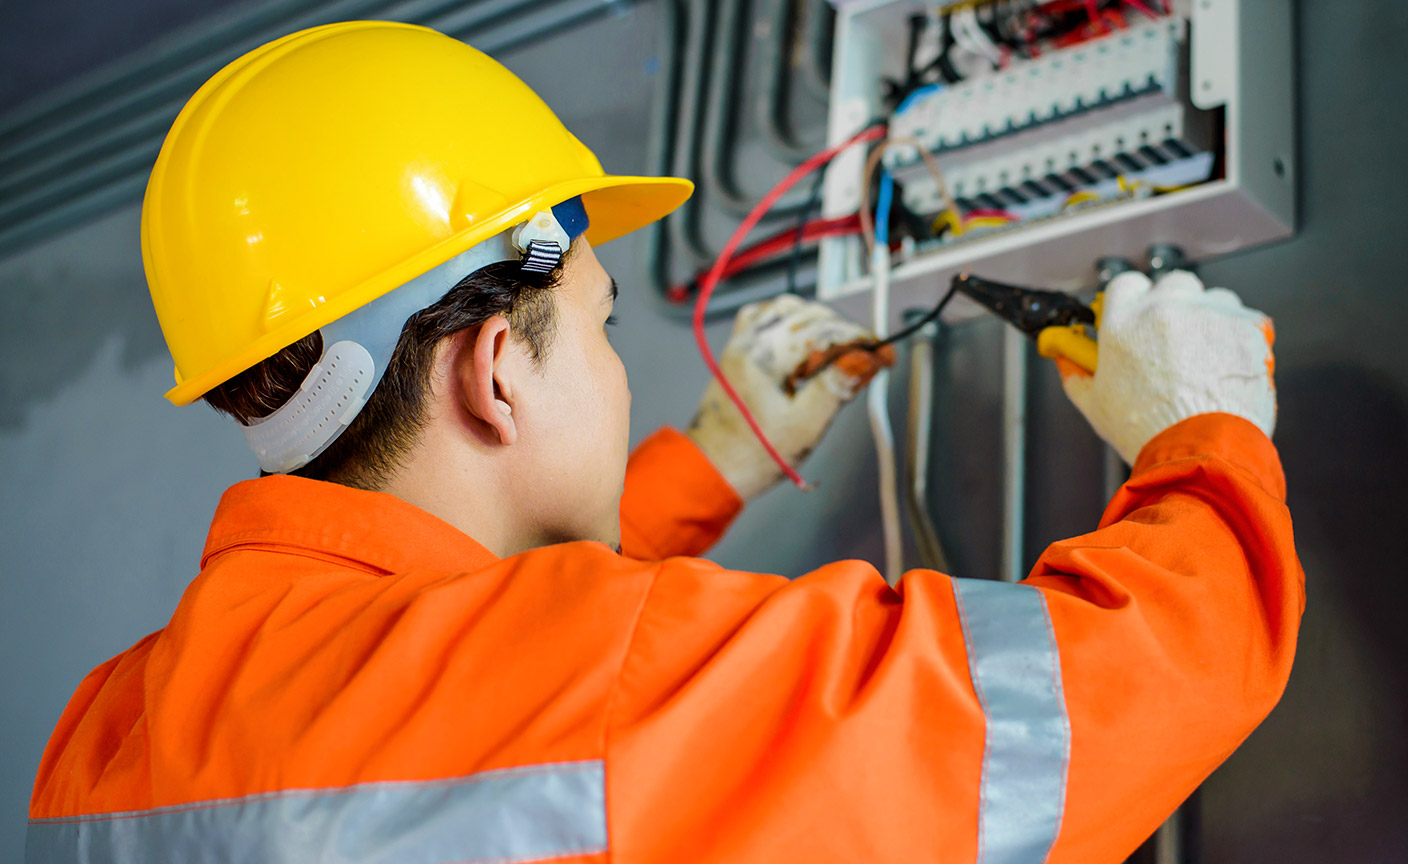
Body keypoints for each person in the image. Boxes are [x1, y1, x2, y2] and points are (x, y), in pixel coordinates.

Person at [26, 21, 1303, 864]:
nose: (622, 370)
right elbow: (1097, 698)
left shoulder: (100, 739)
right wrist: (1204, 427)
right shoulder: (602, 677)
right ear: (494, 373)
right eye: (603, 324)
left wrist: (718, 459)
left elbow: (441, 658)